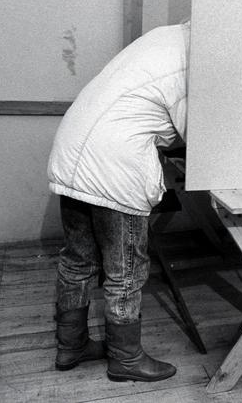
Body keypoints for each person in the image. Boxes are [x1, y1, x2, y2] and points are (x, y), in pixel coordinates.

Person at [46, 21, 190, 382]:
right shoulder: (195, 56)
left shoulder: (166, 36)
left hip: (73, 151)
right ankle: (126, 359)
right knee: (126, 270)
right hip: (113, 163)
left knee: (79, 261)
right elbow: (195, 132)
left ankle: (71, 345)